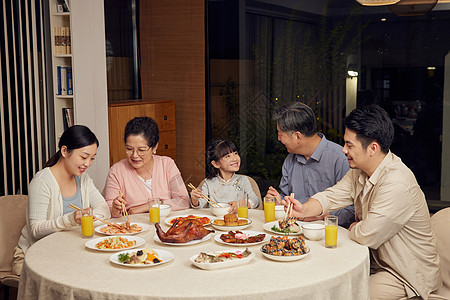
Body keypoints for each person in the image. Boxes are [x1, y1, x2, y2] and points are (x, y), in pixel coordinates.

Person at [285, 105, 444, 299]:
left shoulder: (397, 182)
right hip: (377, 263)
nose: (344, 150)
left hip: (405, 272)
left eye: (349, 145)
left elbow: (367, 235)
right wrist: (304, 209)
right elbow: (332, 195)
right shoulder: (359, 171)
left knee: (347, 293)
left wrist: (356, 227)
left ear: (373, 148)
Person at [13, 125, 111, 275]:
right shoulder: (42, 181)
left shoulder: (83, 179)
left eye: (92, 158)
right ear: (64, 151)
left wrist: (90, 217)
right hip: (35, 254)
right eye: (84, 157)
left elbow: (103, 207)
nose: (88, 164)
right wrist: (71, 219)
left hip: (71, 250)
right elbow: (35, 230)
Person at [265, 102, 354, 228]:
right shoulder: (290, 161)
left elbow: (352, 209)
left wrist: (321, 215)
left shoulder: (340, 159)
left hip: (327, 233)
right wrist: (279, 201)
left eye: (280, 134)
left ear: (297, 137)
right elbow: (286, 196)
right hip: (293, 230)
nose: (279, 139)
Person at [104, 117, 189, 217]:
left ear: (154, 147)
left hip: (167, 226)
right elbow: (108, 212)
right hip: (134, 229)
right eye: (129, 149)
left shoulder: (167, 164)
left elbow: (183, 201)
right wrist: (115, 208)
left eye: (141, 150)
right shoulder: (117, 171)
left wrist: (149, 206)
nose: (134, 155)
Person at [190, 139, 260, 212]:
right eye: (228, 156)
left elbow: (256, 201)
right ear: (216, 164)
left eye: (235, 153)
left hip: (238, 220)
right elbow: (199, 206)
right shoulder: (208, 183)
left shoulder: (243, 180)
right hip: (215, 220)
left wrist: (241, 204)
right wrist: (195, 200)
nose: (235, 158)